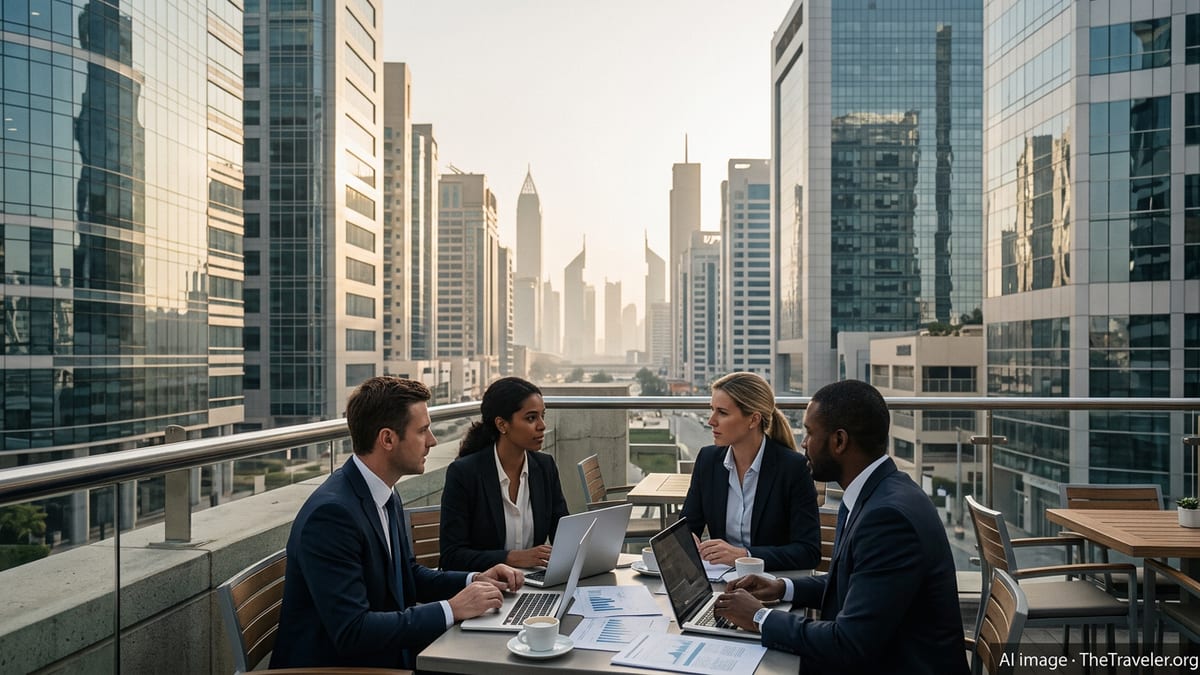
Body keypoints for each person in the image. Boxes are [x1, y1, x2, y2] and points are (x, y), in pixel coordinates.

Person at [713, 379, 967, 675]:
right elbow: (855, 583)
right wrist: (782, 587)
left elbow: (848, 644)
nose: (804, 443)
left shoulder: (887, 519)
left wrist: (759, 618)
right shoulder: (875, 492)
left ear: (839, 441)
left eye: (809, 432)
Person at [271, 377, 524, 670]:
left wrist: (475, 579)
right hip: (340, 667)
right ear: (388, 439)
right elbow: (353, 631)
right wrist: (452, 608)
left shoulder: (383, 491)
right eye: (422, 430)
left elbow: (407, 574)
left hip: (384, 655)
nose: (433, 440)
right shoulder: (331, 516)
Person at [680, 371, 821, 571]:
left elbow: (808, 552)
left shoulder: (793, 468)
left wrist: (745, 555)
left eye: (722, 412)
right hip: (721, 581)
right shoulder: (708, 460)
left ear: (753, 420)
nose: (711, 420)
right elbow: (687, 527)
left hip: (771, 585)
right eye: (712, 410)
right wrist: (685, 540)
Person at [440, 377, 570, 571]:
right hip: (485, 589)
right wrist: (512, 558)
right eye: (531, 418)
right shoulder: (464, 473)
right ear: (502, 425)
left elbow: (563, 534)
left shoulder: (545, 467)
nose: (542, 425)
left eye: (543, 415)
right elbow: (452, 556)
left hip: (533, 585)